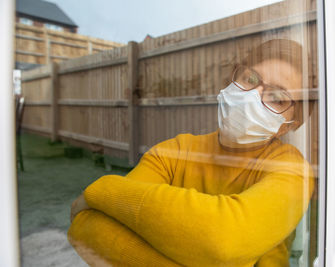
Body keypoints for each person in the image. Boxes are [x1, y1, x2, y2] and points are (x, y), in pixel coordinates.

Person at [68, 38, 315, 267]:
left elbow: (223, 240)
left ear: (290, 125)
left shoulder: (292, 171)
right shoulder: (175, 152)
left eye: (277, 98)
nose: (253, 96)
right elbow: (87, 230)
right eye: (250, 79)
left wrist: (97, 192)